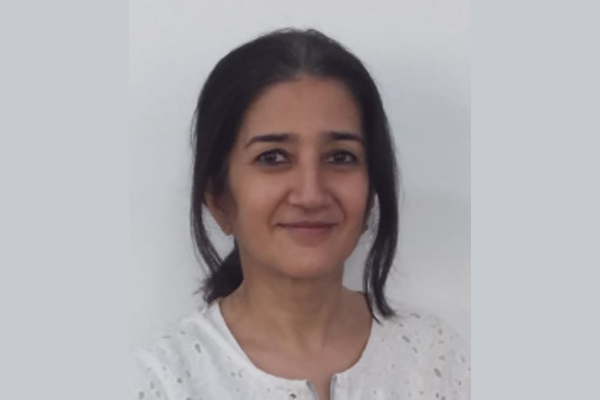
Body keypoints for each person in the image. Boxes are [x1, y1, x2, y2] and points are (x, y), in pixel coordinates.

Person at [130, 28, 471, 400]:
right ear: (219, 199)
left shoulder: (435, 358)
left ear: (371, 192)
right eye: (273, 157)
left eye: (340, 157)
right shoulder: (160, 381)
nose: (311, 194)